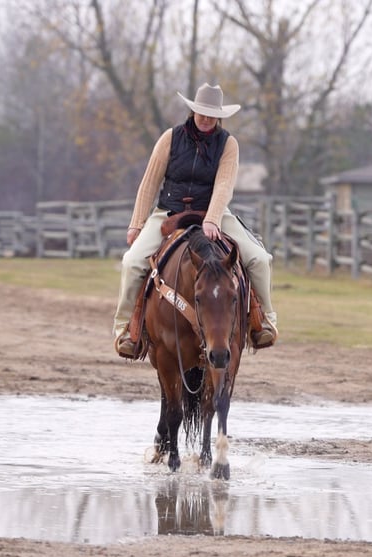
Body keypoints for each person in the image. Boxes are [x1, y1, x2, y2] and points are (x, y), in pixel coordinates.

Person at [113, 82, 278, 356]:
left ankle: (264, 322)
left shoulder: (228, 144)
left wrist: (212, 219)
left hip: (212, 212)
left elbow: (224, 185)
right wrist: (136, 224)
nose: (205, 118)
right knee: (132, 263)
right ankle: (126, 330)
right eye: (201, 112)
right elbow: (149, 183)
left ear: (219, 116)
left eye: (211, 113)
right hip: (169, 212)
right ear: (192, 111)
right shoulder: (170, 138)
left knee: (260, 259)